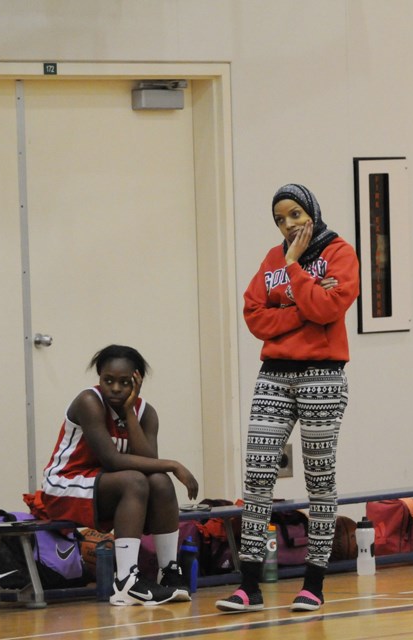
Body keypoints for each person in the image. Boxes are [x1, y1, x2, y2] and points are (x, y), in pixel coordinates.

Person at [216, 183, 359, 613]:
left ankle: (313, 584)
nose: (289, 224)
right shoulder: (270, 259)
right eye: (280, 219)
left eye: (295, 214)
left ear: (311, 210)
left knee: (319, 477)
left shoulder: (339, 253)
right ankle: (249, 586)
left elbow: (330, 309)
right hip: (274, 376)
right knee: (258, 475)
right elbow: (255, 316)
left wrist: (295, 270)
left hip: (323, 377)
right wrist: (303, 308)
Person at [24, 345, 200, 606]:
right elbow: (112, 460)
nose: (115, 388)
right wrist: (174, 464)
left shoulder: (146, 413)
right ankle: (126, 581)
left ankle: (168, 572)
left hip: (106, 486)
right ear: (99, 378)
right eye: (108, 381)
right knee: (136, 480)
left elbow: (148, 461)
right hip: (64, 483)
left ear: (137, 380)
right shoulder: (88, 401)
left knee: (160, 482)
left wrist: (129, 412)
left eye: (124, 382)